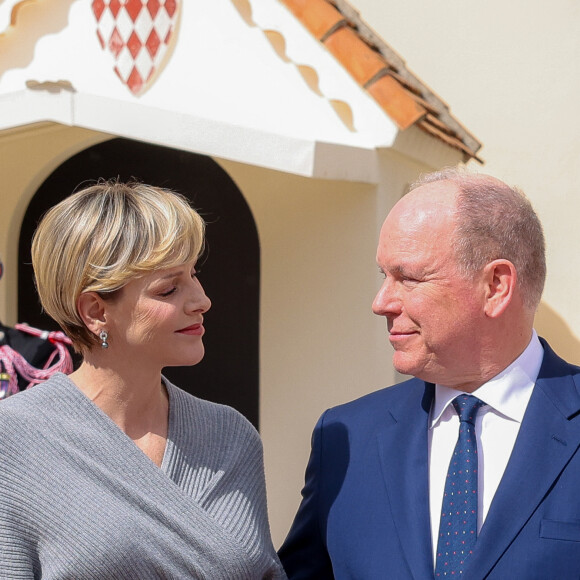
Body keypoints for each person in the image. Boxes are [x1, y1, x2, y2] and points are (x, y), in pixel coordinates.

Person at [279, 167, 580, 579]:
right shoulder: (347, 438)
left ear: (495, 286)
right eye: (383, 276)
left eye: (408, 278)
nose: (381, 302)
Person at [0, 180, 286, 579]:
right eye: (169, 288)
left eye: (193, 274)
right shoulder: (13, 440)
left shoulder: (230, 436)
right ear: (95, 310)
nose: (201, 300)